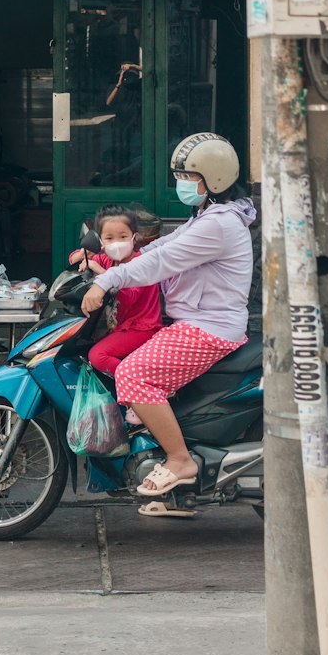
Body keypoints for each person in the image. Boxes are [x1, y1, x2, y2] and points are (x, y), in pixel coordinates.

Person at [81, 133, 256, 499]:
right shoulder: (207, 215)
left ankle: (179, 461)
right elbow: (162, 246)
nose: (182, 185)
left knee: (132, 372)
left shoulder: (219, 224)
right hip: (195, 322)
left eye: (189, 178)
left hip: (209, 328)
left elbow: (161, 262)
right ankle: (176, 492)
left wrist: (108, 280)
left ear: (214, 179)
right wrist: (117, 258)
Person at [68, 206, 163, 377]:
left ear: (134, 237)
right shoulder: (107, 259)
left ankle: (140, 385)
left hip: (141, 328)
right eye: (109, 238)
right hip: (118, 328)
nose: (116, 243)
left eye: (123, 237)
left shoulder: (140, 263)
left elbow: (128, 295)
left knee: (98, 356)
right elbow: (76, 256)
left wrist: (103, 275)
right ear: (101, 242)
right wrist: (83, 255)